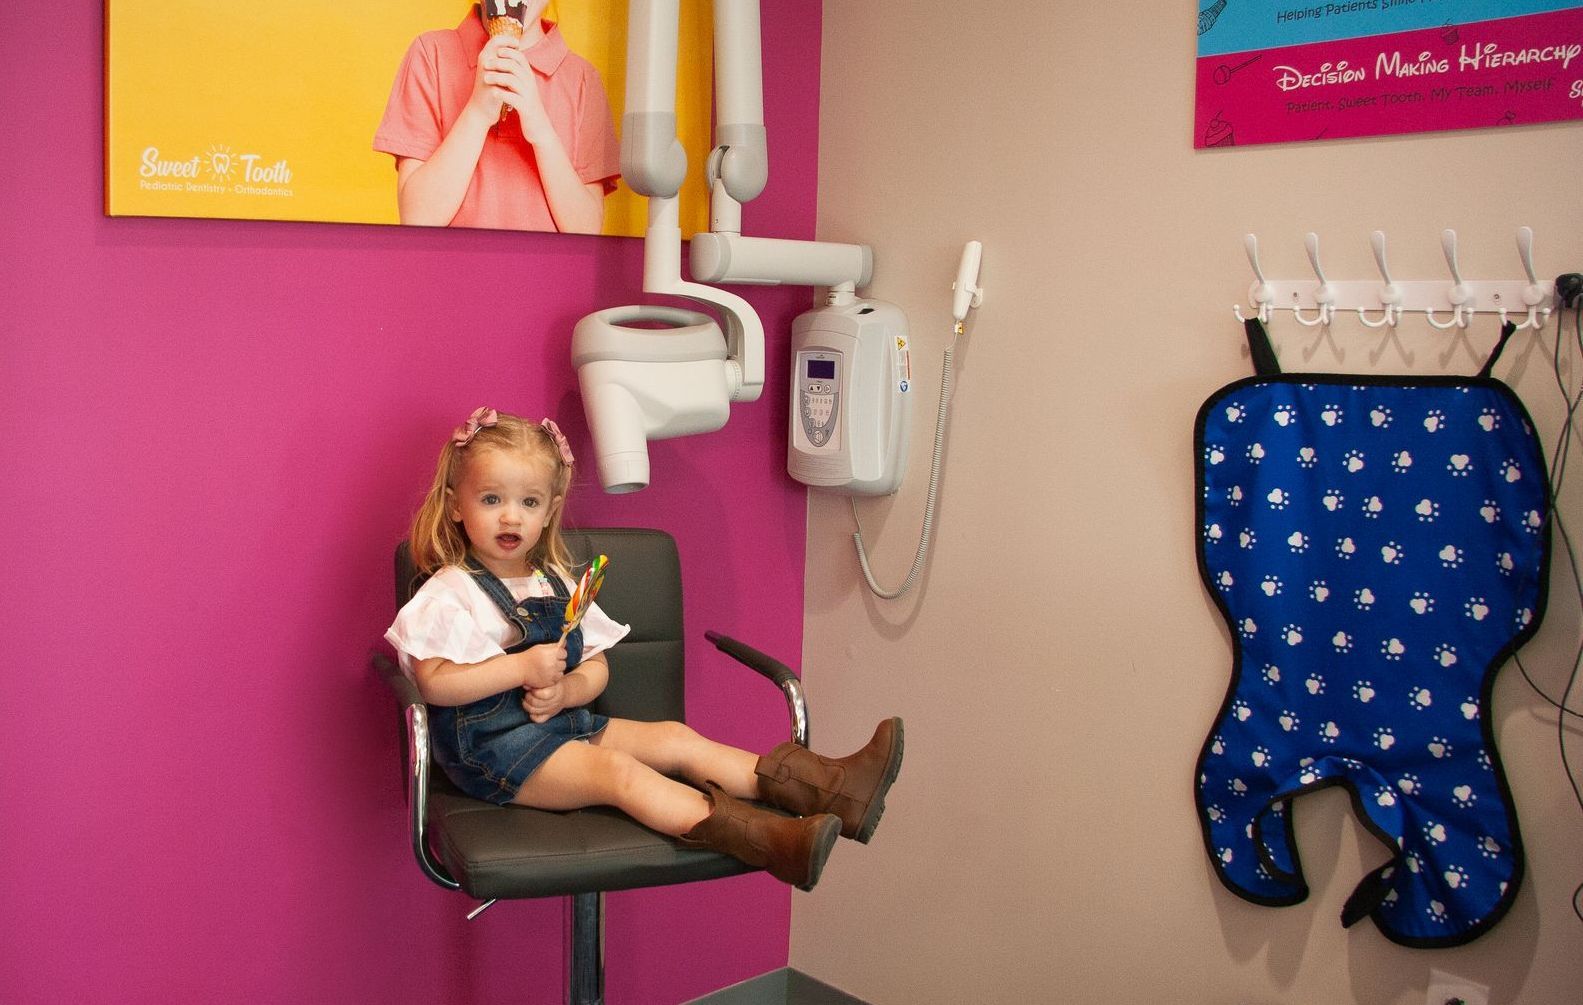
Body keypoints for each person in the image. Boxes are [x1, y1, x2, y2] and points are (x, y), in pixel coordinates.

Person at [385, 408, 905, 889]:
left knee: (676, 739)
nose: (510, 518)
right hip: (494, 755)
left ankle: (837, 789)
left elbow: (598, 668)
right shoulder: (451, 590)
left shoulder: (555, 583)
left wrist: (569, 690)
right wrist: (519, 667)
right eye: (491, 499)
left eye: (529, 502)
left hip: (564, 726)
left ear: (549, 511)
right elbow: (435, 683)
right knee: (621, 775)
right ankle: (770, 842)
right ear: (456, 505)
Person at [373, 2, 619, 232]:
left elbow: (587, 229)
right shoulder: (431, 55)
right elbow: (418, 218)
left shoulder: (582, 80)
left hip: (546, 276)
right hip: (447, 274)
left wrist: (542, 132)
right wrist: (477, 113)